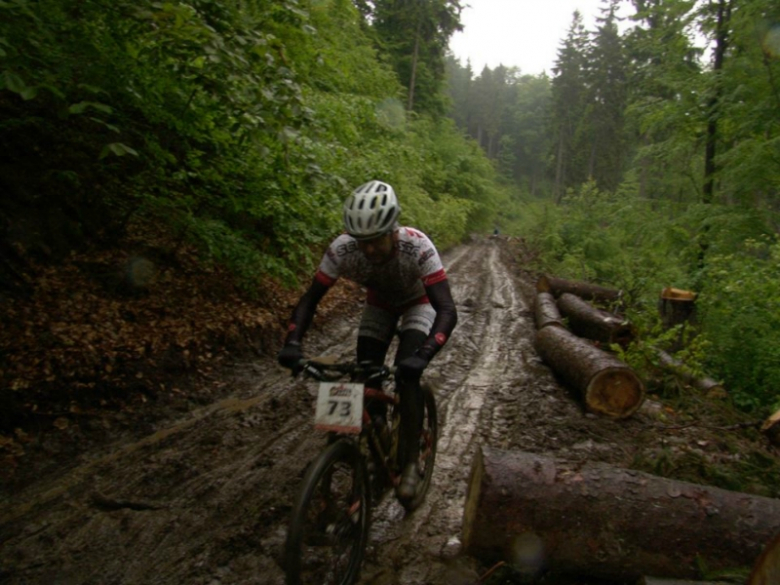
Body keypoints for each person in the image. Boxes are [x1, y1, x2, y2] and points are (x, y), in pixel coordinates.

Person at [277, 180, 458, 500]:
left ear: (392, 231)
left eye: (376, 241)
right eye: (363, 242)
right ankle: (375, 428)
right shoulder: (342, 249)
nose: (369, 249)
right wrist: (293, 342)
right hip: (380, 304)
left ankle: (411, 462)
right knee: (363, 376)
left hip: (419, 303)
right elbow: (309, 300)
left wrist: (424, 354)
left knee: (406, 372)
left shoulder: (418, 246)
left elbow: (446, 308)